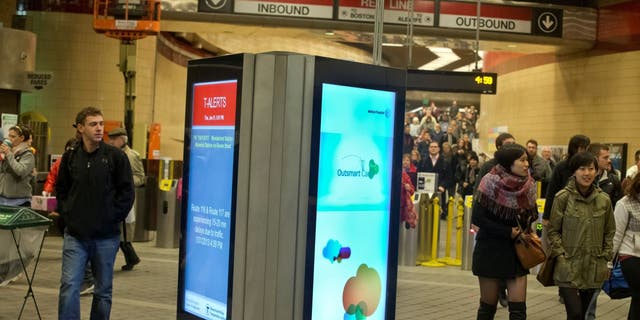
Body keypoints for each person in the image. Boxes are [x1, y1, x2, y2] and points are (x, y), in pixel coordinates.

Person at [56, 106, 134, 319]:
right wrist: (68, 216)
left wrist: (112, 217)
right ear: (80, 128)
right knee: (70, 286)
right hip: (76, 236)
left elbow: (127, 192)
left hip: (106, 237)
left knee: (102, 291)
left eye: (101, 124)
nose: (99, 128)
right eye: (93, 124)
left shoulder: (115, 157)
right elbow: (61, 189)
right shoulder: (70, 157)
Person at [547, 151, 615, 320]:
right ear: (574, 172)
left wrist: (605, 255)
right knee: (575, 313)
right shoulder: (562, 198)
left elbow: (609, 231)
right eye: (582, 169)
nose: (587, 173)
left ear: (597, 171)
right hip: (567, 266)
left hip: (593, 266)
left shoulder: (604, 200)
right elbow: (553, 230)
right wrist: (561, 256)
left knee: (583, 313)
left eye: (591, 169)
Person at [472, 144, 537, 320]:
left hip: (516, 252)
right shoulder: (490, 181)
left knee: (518, 311)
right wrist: (507, 231)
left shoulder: (529, 184)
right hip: (490, 250)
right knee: (487, 308)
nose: (526, 164)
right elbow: (478, 218)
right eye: (522, 160)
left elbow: (534, 217)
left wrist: (532, 228)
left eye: (527, 160)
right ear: (509, 163)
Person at [108, 127, 144, 271]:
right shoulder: (109, 153)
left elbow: (140, 177)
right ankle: (131, 258)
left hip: (124, 198)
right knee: (119, 232)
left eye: (114, 139)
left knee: (122, 232)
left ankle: (128, 258)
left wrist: (126, 183)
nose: (110, 142)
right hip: (112, 197)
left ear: (122, 140)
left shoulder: (132, 155)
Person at [612, 172, 640, 319]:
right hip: (630, 255)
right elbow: (616, 235)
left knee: (637, 299)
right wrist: (608, 263)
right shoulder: (625, 203)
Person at [0, 125, 35, 207]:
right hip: (2, 199)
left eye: (13, 136)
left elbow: (20, 172)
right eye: (9, 135)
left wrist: (9, 154)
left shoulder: (28, 155)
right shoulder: (8, 153)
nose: (9, 139)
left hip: (19, 201)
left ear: (21, 138)